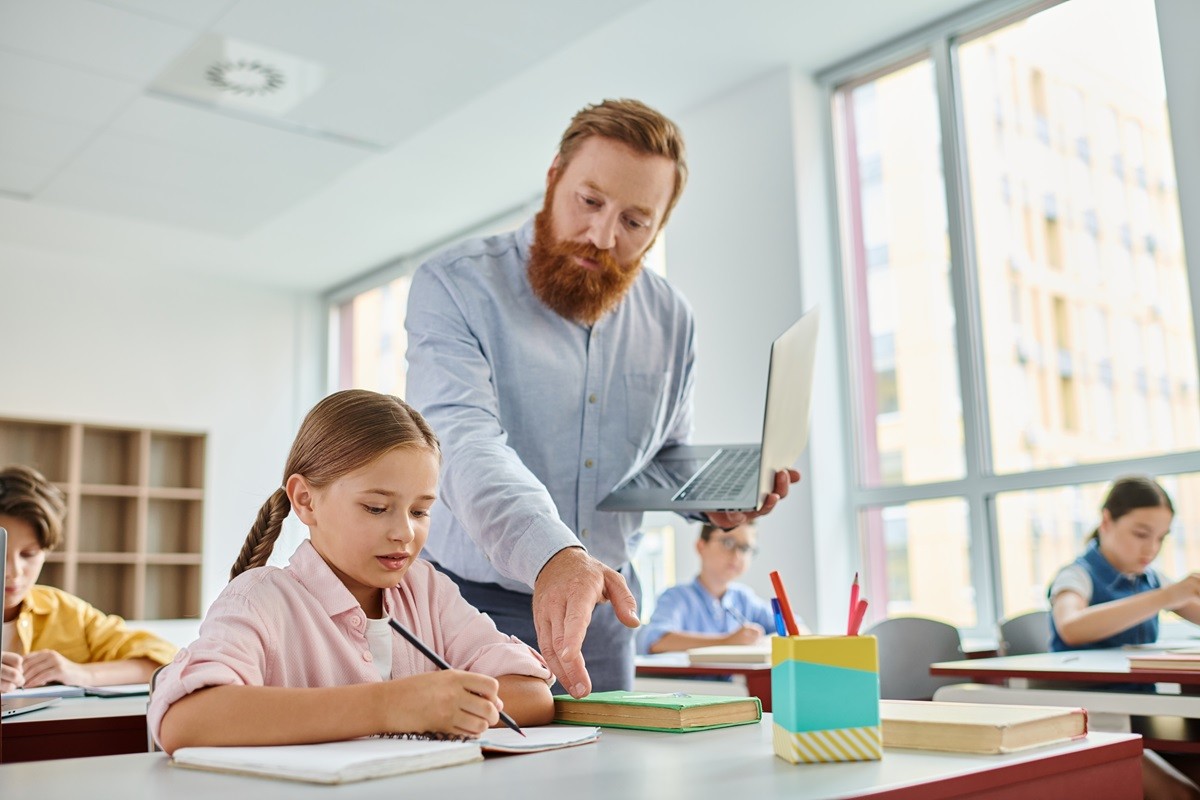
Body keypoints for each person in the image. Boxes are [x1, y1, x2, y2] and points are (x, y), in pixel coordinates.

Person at [404, 98, 800, 698]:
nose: (602, 236)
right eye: (589, 201)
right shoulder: (456, 284)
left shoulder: (671, 319)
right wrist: (553, 553)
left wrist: (713, 494)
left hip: (607, 617)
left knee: (611, 760)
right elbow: (461, 444)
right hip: (467, 607)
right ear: (553, 178)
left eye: (635, 222)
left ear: (658, 228)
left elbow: (662, 454)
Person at [148, 390, 554, 754]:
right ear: (306, 500)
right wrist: (393, 706)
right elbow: (185, 719)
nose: (404, 532)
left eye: (420, 511)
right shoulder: (259, 599)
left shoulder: (427, 590)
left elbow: (531, 694)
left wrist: (438, 706)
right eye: (376, 508)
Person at [1048, 475, 1200, 800]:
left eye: (1161, 538)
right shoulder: (1077, 575)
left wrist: (1171, 594)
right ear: (1106, 521)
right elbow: (1071, 627)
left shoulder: (1151, 579)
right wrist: (1166, 596)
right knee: (1180, 795)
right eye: (1141, 534)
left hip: (1145, 715)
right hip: (1093, 722)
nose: (1151, 548)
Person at [1, 464, 176, 692]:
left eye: (29, 554)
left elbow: (166, 659)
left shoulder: (68, 613)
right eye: (0, 553)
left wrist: (81, 673)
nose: (14, 572)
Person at [637, 522, 805, 654]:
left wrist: (762, 642)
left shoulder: (744, 598)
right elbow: (656, 642)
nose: (737, 555)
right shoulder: (677, 597)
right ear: (701, 546)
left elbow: (798, 628)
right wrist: (727, 641)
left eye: (745, 548)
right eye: (728, 542)